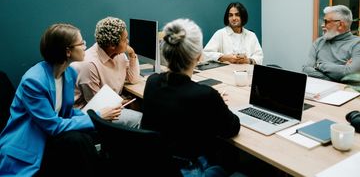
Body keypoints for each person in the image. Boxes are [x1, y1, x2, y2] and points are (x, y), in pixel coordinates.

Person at [0, 23, 121, 176]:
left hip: (50, 137)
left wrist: (96, 114)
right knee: (78, 141)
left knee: (82, 140)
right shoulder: (33, 81)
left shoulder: (69, 73)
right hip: (30, 143)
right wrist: (96, 117)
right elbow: (53, 125)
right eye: (81, 43)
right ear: (68, 51)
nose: (85, 46)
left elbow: (67, 112)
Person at [141, 18, 241, 177]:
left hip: (156, 166)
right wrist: (216, 102)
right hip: (191, 170)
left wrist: (210, 100)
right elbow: (231, 128)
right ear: (199, 55)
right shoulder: (205, 95)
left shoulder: (152, 81)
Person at [72, 16, 142, 128]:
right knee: (140, 118)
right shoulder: (89, 64)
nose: (128, 42)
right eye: (125, 39)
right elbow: (96, 105)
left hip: (110, 103)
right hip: (90, 114)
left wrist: (132, 55)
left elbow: (133, 79)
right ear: (112, 45)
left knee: (139, 107)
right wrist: (121, 103)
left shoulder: (119, 54)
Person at [303, 5, 360, 82]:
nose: (322, 25)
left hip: (343, 92)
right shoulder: (319, 42)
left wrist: (319, 65)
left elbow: (351, 74)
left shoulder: (357, 44)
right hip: (315, 88)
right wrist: (338, 75)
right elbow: (306, 69)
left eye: (326, 22)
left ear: (340, 25)